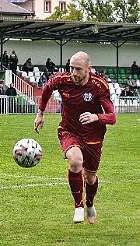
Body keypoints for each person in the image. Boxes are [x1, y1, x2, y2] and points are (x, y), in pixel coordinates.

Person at [34, 51, 116, 224]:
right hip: (69, 130)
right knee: (75, 161)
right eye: (71, 67)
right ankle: (78, 205)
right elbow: (48, 88)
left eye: (78, 69)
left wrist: (96, 117)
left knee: (90, 177)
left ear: (89, 69)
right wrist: (40, 113)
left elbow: (112, 117)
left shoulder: (99, 86)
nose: (74, 72)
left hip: (93, 135)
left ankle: (89, 203)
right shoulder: (62, 80)